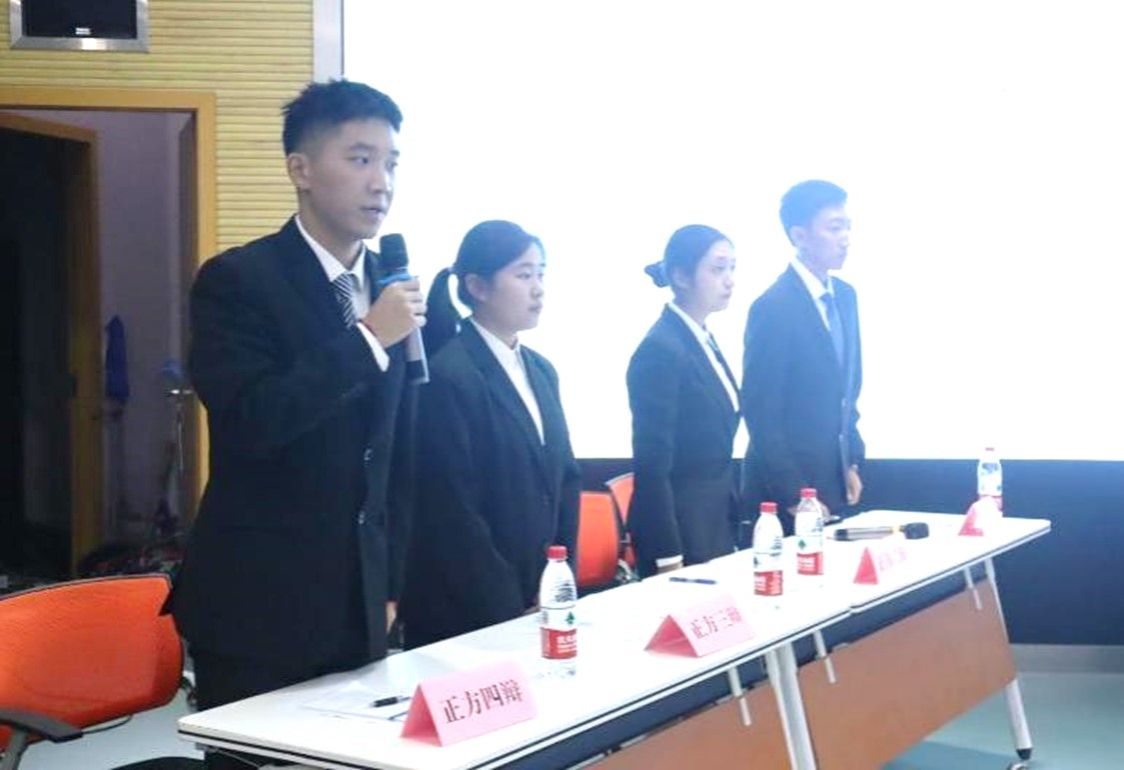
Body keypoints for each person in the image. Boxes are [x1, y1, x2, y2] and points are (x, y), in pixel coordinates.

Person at [165, 80, 424, 769]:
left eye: (392, 163)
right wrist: (367, 340)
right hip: (261, 600)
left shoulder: (394, 288)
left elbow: (398, 453)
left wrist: (392, 580)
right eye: (360, 159)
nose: (381, 182)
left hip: (360, 600)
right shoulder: (238, 281)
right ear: (300, 169)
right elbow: (252, 420)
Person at [399, 220, 581, 648]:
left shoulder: (542, 370)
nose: (538, 289)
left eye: (541, 274)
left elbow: (565, 479)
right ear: (477, 287)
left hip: (539, 597)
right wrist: (508, 608)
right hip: (470, 610)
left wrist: (556, 582)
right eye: (523, 275)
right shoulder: (448, 374)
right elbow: (452, 509)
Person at [742, 179, 864, 534]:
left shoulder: (845, 296)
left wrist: (852, 460)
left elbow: (846, 390)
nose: (845, 238)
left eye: (847, 226)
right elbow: (761, 410)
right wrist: (793, 492)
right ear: (799, 235)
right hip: (783, 494)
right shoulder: (773, 306)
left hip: (833, 479)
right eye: (834, 228)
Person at [626, 225, 742, 577]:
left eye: (732, 268)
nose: (729, 279)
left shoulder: (700, 338)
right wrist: (667, 554)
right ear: (681, 276)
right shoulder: (661, 349)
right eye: (717, 269)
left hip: (712, 522)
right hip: (679, 532)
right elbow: (653, 464)